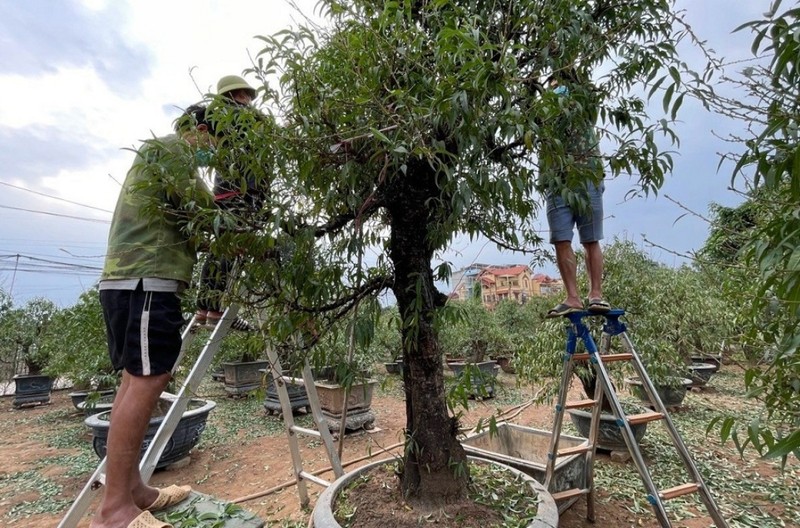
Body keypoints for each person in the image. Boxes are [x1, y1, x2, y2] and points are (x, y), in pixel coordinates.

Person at [93, 105, 217, 528]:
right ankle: (113, 511)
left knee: (135, 381)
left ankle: (134, 491)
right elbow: (204, 211)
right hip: (147, 280)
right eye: (216, 143)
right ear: (200, 131)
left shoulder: (156, 154)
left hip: (128, 279)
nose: (213, 156)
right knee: (148, 381)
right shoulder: (173, 152)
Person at [194, 75, 267, 330]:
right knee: (230, 249)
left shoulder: (214, 117)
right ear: (235, 94)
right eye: (245, 94)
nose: (248, 99)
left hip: (224, 194)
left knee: (218, 249)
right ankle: (216, 311)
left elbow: (191, 116)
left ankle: (204, 307)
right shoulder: (245, 117)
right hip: (244, 195)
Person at [541, 76, 610, 318]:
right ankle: (572, 297)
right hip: (556, 179)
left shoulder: (583, 99)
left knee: (591, 238)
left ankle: (596, 294)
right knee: (561, 239)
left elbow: (588, 96)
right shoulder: (543, 108)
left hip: (587, 174)